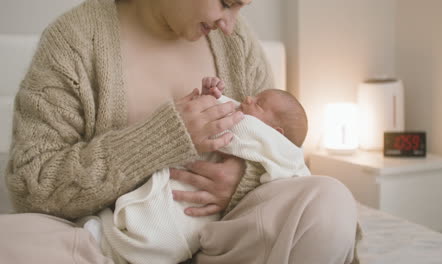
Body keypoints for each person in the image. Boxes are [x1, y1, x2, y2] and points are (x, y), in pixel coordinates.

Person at [1, 0, 359, 263]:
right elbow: (33, 186)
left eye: (240, 8)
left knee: (329, 202)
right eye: (225, 3)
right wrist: (159, 140)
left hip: (222, 242)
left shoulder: (237, 45)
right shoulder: (74, 42)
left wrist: (243, 181)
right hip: (108, 246)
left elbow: (280, 152)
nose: (231, 24)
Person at [83, 77, 311, 264]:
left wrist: (214, 102)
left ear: (277, 133)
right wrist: (209, 101)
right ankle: (114, 241)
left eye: (259, 103)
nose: (249, 97)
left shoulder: (266, 138)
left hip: (197, 214)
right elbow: (204, 126)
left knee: (157, 228)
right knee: (158, 228)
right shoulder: (285, 157)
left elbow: (222, 125)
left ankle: (110, 240)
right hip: (190, 209)